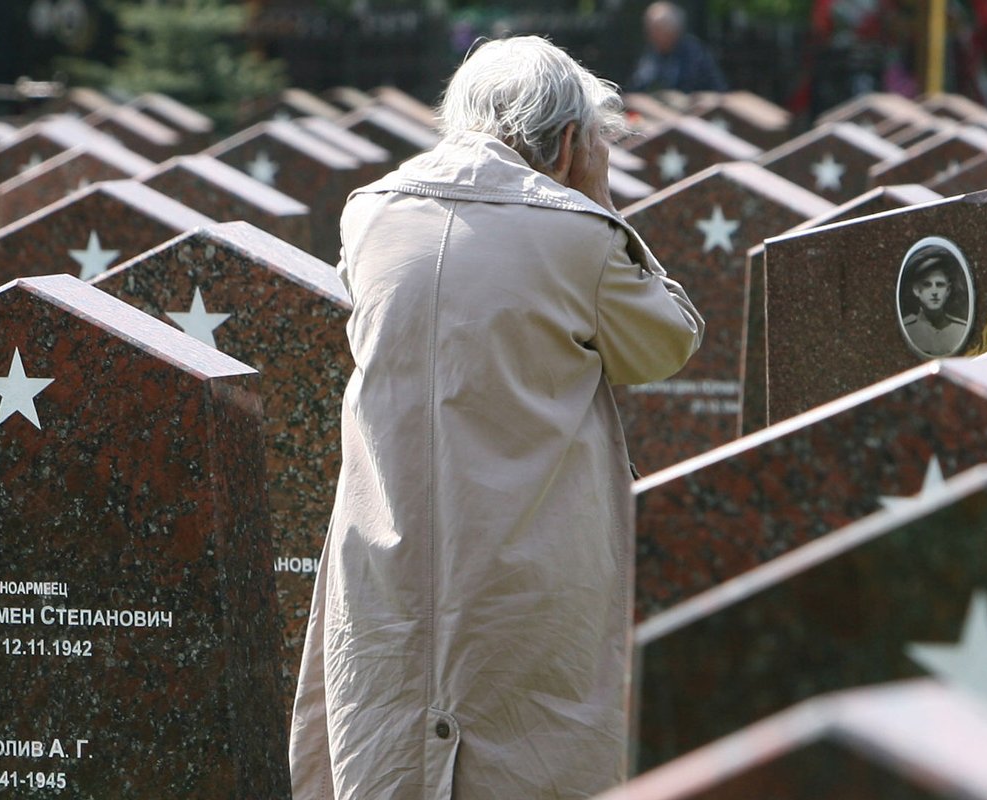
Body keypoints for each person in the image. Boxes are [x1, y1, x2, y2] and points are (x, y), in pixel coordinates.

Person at [288, 35, 704, 800]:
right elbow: (667, 342)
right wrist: (599, 201)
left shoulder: (371, 215)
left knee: (391, 754)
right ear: (573, 140)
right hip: (529, 571)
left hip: (388, 565)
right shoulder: (581, 236)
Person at [628, 2, 728, 93]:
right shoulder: (650, 54)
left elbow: (711, 87)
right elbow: (639, 84)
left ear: (673, 29)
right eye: (649, 29)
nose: (650, 34)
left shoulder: (693, 52)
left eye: (657, 29)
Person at [900, 247, 967, 357]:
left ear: (948, 290)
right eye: (927, 285)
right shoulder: (908, 330)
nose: (934, 292)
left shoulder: (960, 330)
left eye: (940, 285)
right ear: (916, 290)